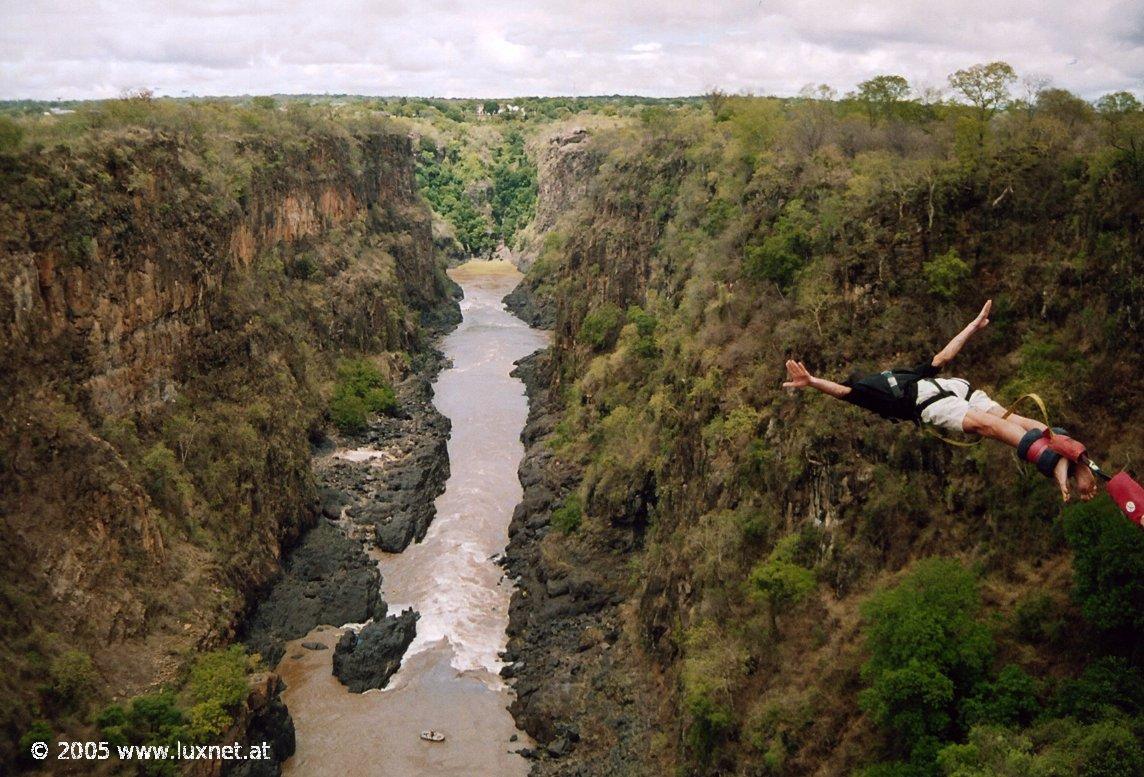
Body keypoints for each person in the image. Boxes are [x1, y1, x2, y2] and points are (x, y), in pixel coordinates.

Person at [782, 300, 1097, 503]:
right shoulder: (903, 373)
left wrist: (811, 382)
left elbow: (841, 391)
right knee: (1017, 421)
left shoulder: (867, 393)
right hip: (953, 386)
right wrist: (973, 326)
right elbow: (945, 355)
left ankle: (1055, 462)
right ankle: (1074, 458)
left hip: (930, 402)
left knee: (992, 427)